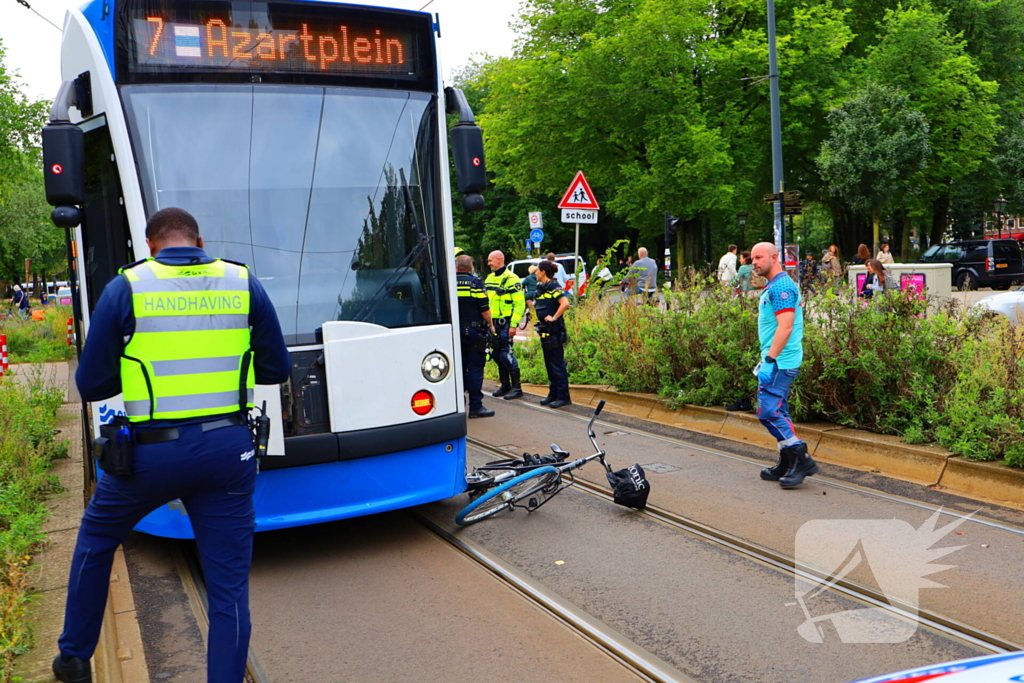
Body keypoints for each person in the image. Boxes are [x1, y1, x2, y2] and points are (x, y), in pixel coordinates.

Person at [52, 208, 291, 683]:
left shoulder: (128, 286)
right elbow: (275, 370)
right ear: (199, 242)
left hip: (149, 455)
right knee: (228, 590)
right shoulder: (243, 283)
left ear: (150, 245)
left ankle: (74, 659)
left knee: (97, 541)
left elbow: (92, 384)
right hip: (227, 450)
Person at [750, 241, 818, 489]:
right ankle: (788, 460)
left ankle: (801, 458)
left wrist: (769, 360)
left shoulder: (781, 287)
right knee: (780, 411)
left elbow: (786, 327)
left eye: (759, 257)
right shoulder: (774, 285)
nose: (754, 262)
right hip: (776, 359)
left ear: (774, 257)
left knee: (768, 411)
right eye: (752, 258)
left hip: (780, 361)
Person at [456, 255, 496, 419]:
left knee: (458, 368)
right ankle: (475, 406)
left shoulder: (450, 282)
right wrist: (491, 325)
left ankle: (458, 405)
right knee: (474, 368)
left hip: (454, 332)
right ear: (471, 267)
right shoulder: (475, 283)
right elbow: (484, 309)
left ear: (457, 267)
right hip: (473, 331)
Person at [484, 250, 526, 401]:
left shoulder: (512, 279)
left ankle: (517, 388)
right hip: (492, 323)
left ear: (499, 260)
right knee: (496, 354)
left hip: (505, 323)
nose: (488, 263)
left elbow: (519, 304)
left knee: (506, 354)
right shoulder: (489, 278)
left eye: (490, 260)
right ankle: (505, 385)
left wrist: (513, 325)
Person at [534, 260, 571, 408]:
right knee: (549, 364)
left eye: (537, 270)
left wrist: (554, 317)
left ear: (543, 272)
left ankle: (563, 396)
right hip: (545, 330)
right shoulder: (541, 287)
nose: (535, 272)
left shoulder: (554, 286)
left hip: (554, 330)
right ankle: (553, 394)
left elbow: (565, 303)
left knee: (557, 364)